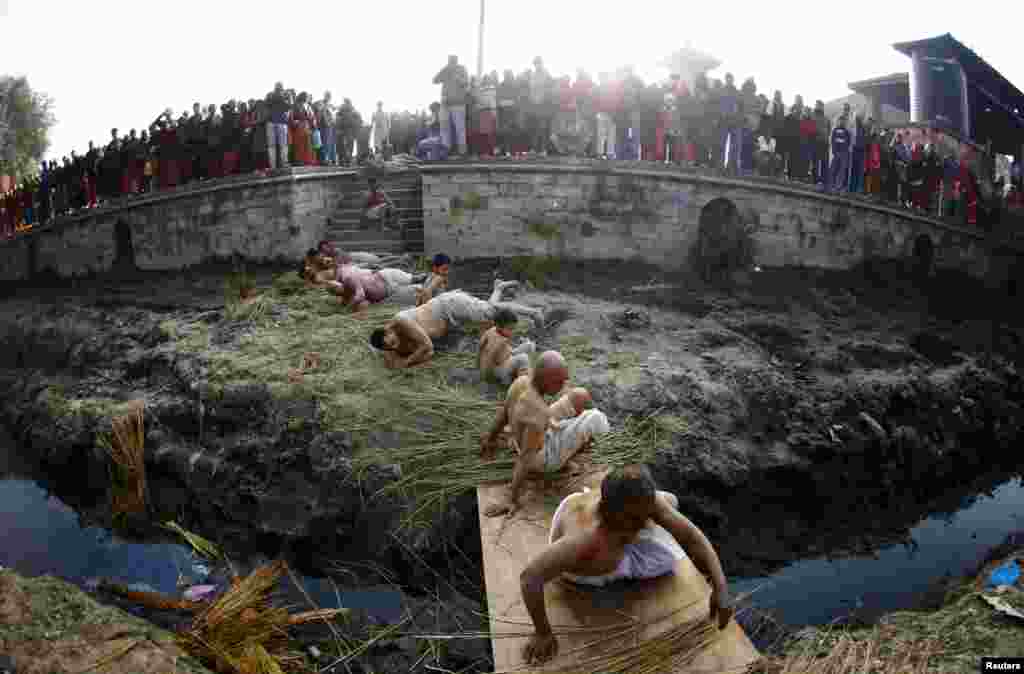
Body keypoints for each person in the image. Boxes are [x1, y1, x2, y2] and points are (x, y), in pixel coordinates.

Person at [517, 464, 734, 664]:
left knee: (668, 503)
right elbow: (530, 577)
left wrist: (720, 587)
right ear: (613, 512)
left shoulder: (641, 503)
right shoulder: (585, 540)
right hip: (584, 567)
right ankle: (622, 561)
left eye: (648, 512)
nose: (646, 521)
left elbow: (691, 536)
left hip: (573, 504)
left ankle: (656, 518)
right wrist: (542, 632)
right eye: (638, 518)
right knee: (666, 560)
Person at [479, 351, 610, 517]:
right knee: (596, 418)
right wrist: (511, 498)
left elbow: (504, 413)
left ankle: (570, 431)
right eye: (560, 382)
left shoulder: (521, 382)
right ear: (548, 381)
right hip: (544, 458)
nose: (563, 386)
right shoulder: (538, 415)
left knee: (580, 395)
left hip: (535, 432)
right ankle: (585, 444)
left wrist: (490, 438)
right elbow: (525, 459)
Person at [368, 280, 543, 369]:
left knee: (491, 312)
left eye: (389, 341)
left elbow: (427, 346)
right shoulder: (394, 343)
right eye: (388, 347)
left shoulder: (401, 320)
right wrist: (401, 358)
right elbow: (427, 354)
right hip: (447, 321)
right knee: (487, 318)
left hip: (448, 306)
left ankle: (534, 312)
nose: (391, 346)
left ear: (387, 331)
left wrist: (405, 363)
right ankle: (498, 288)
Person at [328, 254, 424, 316]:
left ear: (339, 283)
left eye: (335, 287)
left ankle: (409, 261)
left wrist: (347, 308)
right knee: (416, 289)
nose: (337, 291)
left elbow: (360, 295)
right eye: (334, 292)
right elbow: (363, 305)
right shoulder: (346, 297)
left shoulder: (349, 279)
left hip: (386, 277)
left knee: (416, 279)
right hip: (388, 291)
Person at [478, 308, 536, 384]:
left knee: (521, 354)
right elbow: (496, 356)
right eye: (510, 329)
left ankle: (519, 375)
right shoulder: (500, 341)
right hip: (497, 371)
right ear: (499, 326)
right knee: (523, 357)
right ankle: (523, 382)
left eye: (514, 328)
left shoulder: (491, 331)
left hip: (494, 367)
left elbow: (481, 346)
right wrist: (486, 376)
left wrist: (479, 364)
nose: (513, 331)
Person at [433, 55, 470, 156]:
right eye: (450, 61)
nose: (451, 63)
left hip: (458, 103)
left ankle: (462, 152)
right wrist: (444, 70)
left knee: (460, 128)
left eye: (453, 61)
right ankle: (446, 149)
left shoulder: (462, 69)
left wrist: (458, 78)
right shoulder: (445, 69)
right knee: (444, 127)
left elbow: (467, 83)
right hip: (445, 104)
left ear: (457, 61)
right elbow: (435, 80)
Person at [267, 83, 291, 170]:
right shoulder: (285, 95)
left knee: (272, 146)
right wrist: (287, 97)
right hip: (281, 122)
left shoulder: (270, 95)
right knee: (282, 145)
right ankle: (284, 163)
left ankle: (273, 166)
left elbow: (267, 105)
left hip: (271, 122)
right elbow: (288, 107)